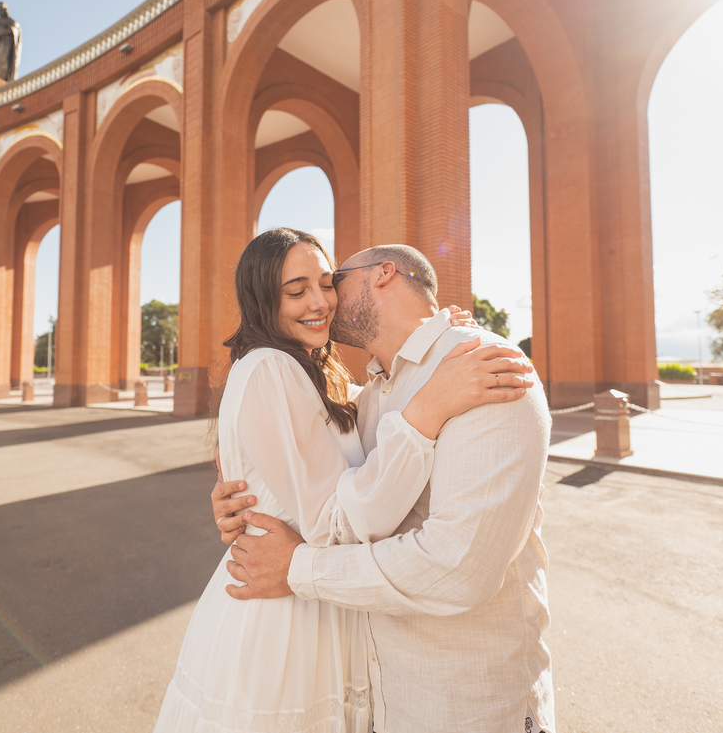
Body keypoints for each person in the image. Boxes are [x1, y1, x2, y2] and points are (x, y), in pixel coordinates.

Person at [154, 229, 534, 733]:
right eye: (297, 290)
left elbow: (460, 564)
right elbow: (327, 521)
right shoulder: (273, 368)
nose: (321, 301)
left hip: (374, 641)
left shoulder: (359, 380)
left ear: (385, 275)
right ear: (264, 299)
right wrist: (428, 407)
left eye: (328, 282)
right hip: (283, 623)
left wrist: (434, 337)